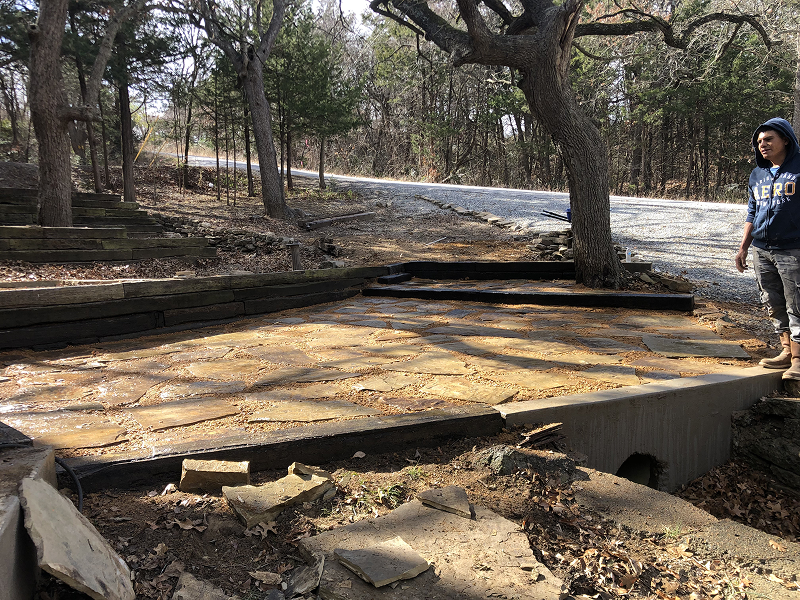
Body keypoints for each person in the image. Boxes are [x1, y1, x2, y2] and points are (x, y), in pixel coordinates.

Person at [735, 117, 800, 380]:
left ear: (785, 139)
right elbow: (752, 212)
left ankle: (798, 359)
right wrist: (743, 248)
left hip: (792, 250)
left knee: (797, 303)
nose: (763, 145)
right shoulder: (757, 174)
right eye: (759, 141)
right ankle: (786, 350)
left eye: (769, 139)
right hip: (762, 250)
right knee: (773, 302)